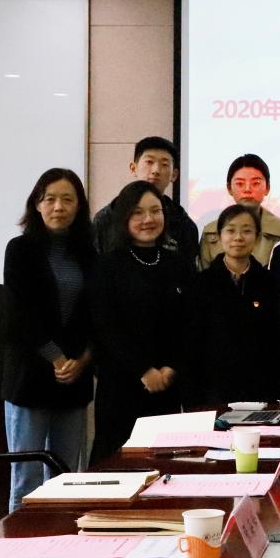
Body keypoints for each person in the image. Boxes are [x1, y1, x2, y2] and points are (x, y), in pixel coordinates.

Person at [2, 168, 95, 511]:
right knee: (25, 478)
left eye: (68, 199)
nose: (59, 206)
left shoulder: (89, 254)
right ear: (37, 204)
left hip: (74, 379)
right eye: (50, 198)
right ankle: (19, 542)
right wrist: (57, 358)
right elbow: (21, 314)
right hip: (31, 377)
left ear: (79, 206)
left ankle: (61, 540)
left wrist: (83, 360)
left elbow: (95, 315)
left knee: (65, 476)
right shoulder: (20, 249)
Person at [90, 181, 190, 462]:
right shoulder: (107, 265)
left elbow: (189, 323)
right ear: (124, 217)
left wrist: (171, 368)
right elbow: (105, 325)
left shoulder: (178, 263)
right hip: (121, 385)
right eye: (138, 212)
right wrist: (144, 371)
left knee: (164, 465)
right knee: (117, 463)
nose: (148, 219)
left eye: (155, 211)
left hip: (168, 386)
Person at [188, 204, 280, 407]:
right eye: (231, 230)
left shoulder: (270, 283)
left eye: (247, 231)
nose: (238, 237)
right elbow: (193, 341)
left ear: (257, 237)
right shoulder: (201, 284)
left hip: (261, 388)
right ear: (219, 236)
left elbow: (277, 338)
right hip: (214, 389)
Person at [92, 136, 198, 268]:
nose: (156, 170)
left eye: (164, 164)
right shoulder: (107, 218)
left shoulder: (184, 224)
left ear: (174, 175)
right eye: (149, 162)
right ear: (133, 168)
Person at [199, 153, 280, 270]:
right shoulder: (210, 233)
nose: (247, 189)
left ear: (267, 188)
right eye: (240, 184)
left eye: (255, 183)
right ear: (229, 188)